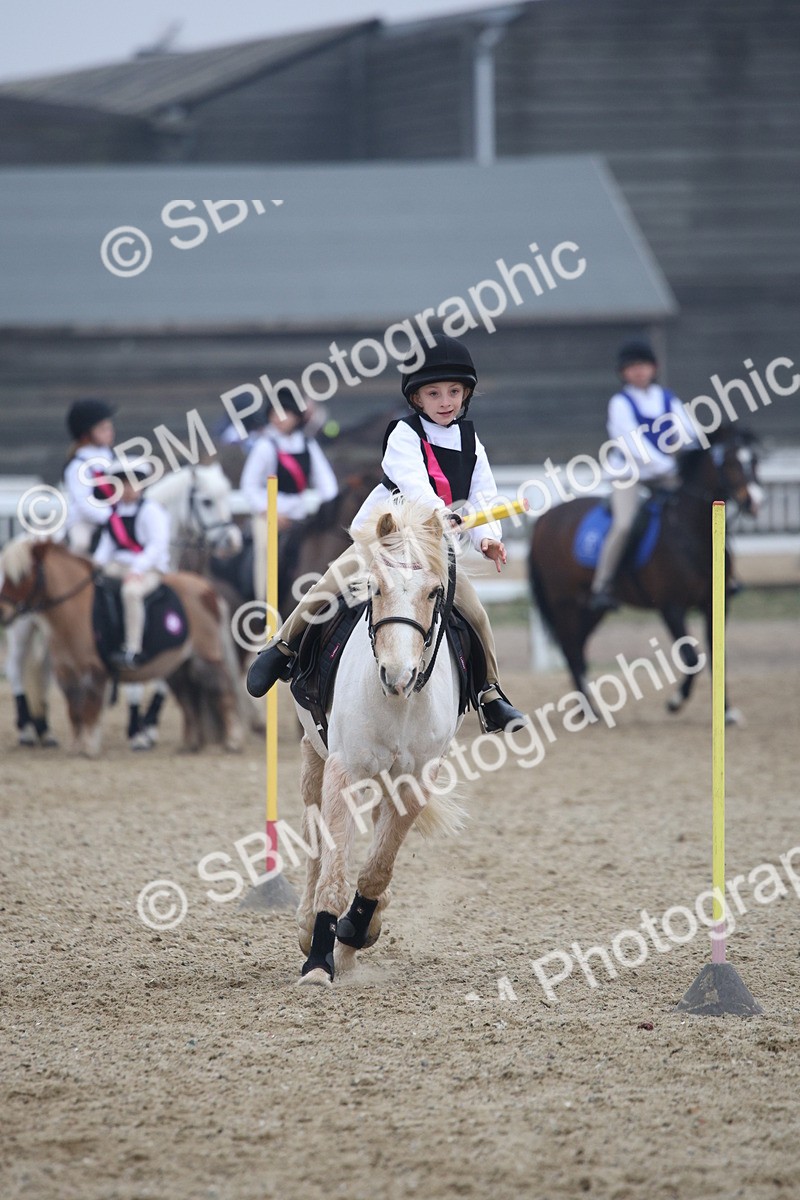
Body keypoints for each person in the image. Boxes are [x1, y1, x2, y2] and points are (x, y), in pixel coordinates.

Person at [246, 334, 526, 734]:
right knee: (330, 581)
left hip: (433, 548)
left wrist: (487, 537)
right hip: (387, 536)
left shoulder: (471, 440)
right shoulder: (403, 434)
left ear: (466, 394)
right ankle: (283, 645)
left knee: (476, 613)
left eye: (453, 391)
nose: (445, 400)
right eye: (434, 393)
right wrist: (439, 515)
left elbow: (484, 495)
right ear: (417, 399)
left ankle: (490, 695)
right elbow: (415, 486)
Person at [589, 339, 697, 612]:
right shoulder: (620, 403)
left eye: (643, 365)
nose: (638, 371)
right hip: (630, 474)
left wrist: (687, 455)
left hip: (665, 472)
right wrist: (666, 465)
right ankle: (602, 584)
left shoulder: (668, 398)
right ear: (623, 372)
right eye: (632, 367)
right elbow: (632, 443)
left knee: (698, 507)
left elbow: (688, 431)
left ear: (654, 368)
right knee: (624, 524)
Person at [240, 392, 339, 599]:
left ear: (296, 416)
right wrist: (270, 512)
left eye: (285, 412)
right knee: (265, 551)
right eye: (274, 412)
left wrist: (328, 511)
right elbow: (249, 485)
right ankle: (262, 601)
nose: (279, 417)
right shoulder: (265, 445)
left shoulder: (308, 445)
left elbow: (326, 483)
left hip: (300, 514)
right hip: (269, 516)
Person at [92, 459, 171, 670]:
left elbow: (157, 546)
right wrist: (92, 568)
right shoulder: (114, 514)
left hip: (149, 568)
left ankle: (132, 648)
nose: (128, 489)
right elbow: (106, 547)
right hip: (119, 565)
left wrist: (138, 569)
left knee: (131, 592)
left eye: (132, 483)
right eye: (123, 484)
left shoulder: (151, 510)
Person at [62, 398, 116, 555]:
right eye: (103, 428)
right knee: (80, 544)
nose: (110, 431)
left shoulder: (113, 456)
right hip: (86, 522)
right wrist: (112, 517)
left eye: (110, 426)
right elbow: (84, 504)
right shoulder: (78, 465)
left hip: (114, 518)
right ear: (86, 434)